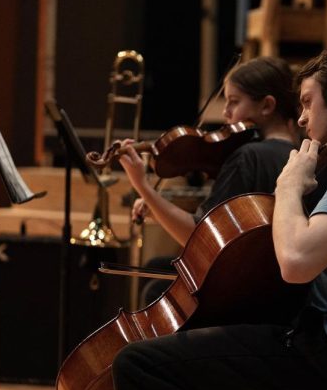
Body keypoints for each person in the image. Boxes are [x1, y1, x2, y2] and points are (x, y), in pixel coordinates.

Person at [112, 43, 327, 390]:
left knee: (138, 365)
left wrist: (288, 187)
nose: (300, 118)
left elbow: (295, 263)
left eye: (309, 102)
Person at [117, 56, 300, 249]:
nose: (225, 112)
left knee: (156, 272)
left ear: (267, 105)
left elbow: (201, 241)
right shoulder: (301, 156)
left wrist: (142, 186)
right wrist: (156, 208)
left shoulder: (247, 157)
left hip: (238, 276)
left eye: (234, 102)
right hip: (271, 275)